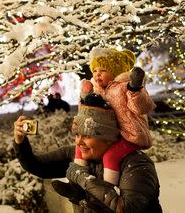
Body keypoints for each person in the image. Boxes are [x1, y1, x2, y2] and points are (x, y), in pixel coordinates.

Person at [13, 96, 162, 212]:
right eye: (77, 135)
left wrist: (84, 179)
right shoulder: (76, 155)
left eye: (87, 136)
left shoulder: (136, 164)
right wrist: (20, 141)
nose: (79, 142)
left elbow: (128, 209)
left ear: (108, 138)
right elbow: (35, 165)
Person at [75, 48, 155, 184]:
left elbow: (142, 107)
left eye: (103, 71)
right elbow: (87, 111)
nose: (97, 74)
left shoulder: (124, 87)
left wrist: (135, 89)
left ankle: (108, 188)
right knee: (79, 148)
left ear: (115, 71)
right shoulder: (97, 89)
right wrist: (85, 96)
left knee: (110, 157)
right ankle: (76, 180)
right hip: (109, 134)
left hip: (130, 135)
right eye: (95, 71)